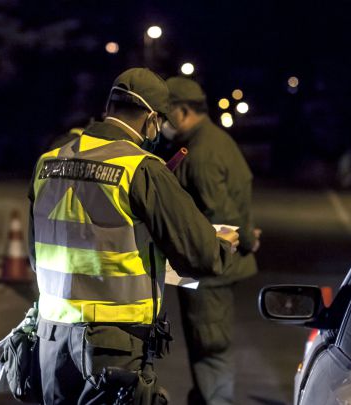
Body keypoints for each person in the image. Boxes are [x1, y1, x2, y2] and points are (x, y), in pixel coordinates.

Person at [28, 67, 239, 405]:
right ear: (152, 119)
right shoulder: (141, 168)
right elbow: (202, 255)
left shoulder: (49, 162)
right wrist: (224, 246)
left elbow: (37, 256)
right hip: (113, 347)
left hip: (52, 341)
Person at [164, 76, 260, 405]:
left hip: (207, 271)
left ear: (182, 111)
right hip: (203, 269)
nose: (161, 121)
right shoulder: (211, 140)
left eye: (165, 113)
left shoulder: (201, 153)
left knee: (209, 349)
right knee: (205, 349)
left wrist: (244, 239)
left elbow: (222, 220)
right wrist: (247, 237)